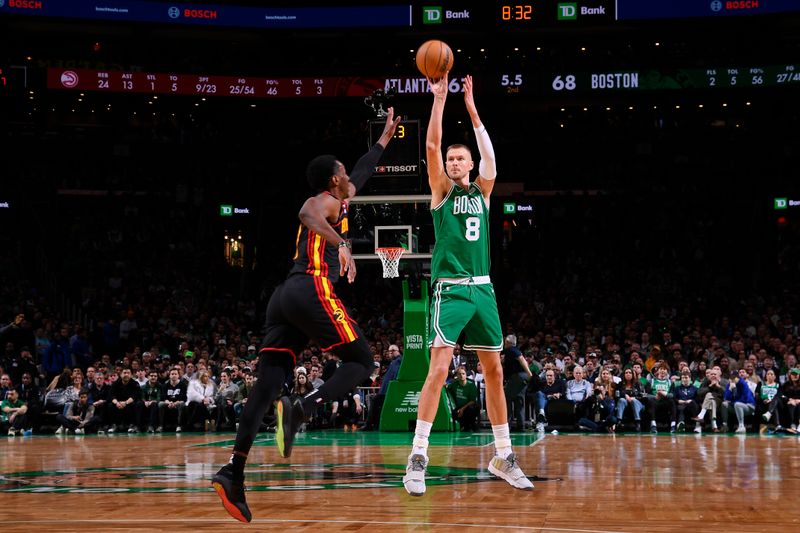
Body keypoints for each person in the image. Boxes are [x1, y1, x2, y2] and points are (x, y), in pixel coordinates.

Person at [211, 108, 401, 523]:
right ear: (334, 180)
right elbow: (306, 215)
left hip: (284, 300)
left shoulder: (342, 195)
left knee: (266, 387)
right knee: (362, 362)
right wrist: (344, 245)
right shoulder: (325, 202)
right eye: (344, 172)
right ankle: (304, 408)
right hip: (311, 286)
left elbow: (365, 170)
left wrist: (385, 138)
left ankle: (233, 472)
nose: (351, 175)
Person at [402, 74, 533, 498]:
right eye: (452, 159)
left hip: (484, 290)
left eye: (462, 159)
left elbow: (492, 158)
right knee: (438, 370)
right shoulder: (441, 191)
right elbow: (430, 148)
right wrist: (440, 101)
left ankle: (503, 455)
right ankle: (418, 456)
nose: (455, 163)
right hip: (451, 290)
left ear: (471, 164)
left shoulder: (483, 191)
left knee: (494, 370)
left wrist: (474, 110)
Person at [447, 366, 479, 431]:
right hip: (458, 407)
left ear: (466, 374)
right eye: (459, 374)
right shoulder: (454, 384)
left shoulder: (471, 385)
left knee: (472, 409)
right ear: (457, 376)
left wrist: (462, 409)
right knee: (454, 413)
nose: (461, 375)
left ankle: (471, 425)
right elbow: (447, 387)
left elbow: (472, 401)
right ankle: (462, 425)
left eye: (463, 374)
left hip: (468, 407)